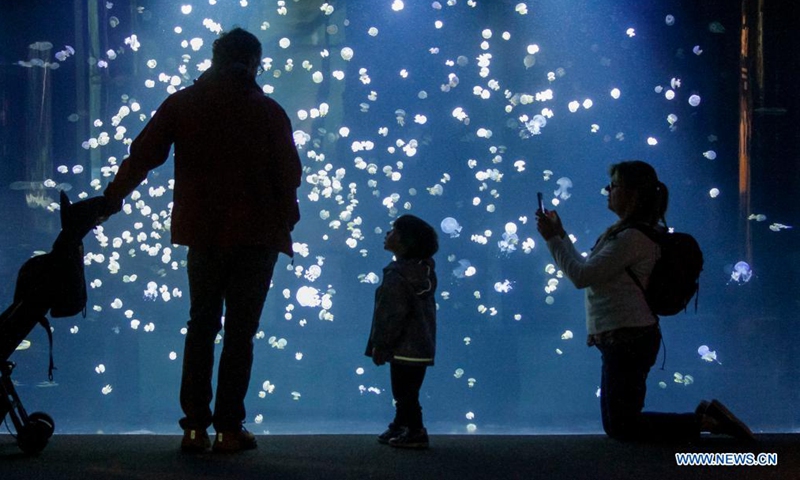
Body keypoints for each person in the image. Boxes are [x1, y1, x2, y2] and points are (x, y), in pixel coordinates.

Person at [101, 28, 302, 453]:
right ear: (254, 63)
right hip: (257, 236)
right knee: (240, 333)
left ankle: (194, 427)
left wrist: (113, 196)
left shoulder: (184, 104)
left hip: (205, 234)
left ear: (213, 58)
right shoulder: (269, 111)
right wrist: (287, 218)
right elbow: (290, 174)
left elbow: (144, 154)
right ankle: (229, 429)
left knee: (201, 325)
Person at [536, 160, 754, 442]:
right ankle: (706, 417)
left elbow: (581, 276)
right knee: (620, 423)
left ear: (633, 194)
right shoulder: (623, 233)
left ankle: (707, 421)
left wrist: (552, 239)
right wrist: (560, 235)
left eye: (613, 185)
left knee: (622, 425)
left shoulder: (633, 238)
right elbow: (589, 270)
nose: (607, 190)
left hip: (629, 339)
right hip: (623, 337)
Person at [365, 215, 438, 449]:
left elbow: (390, 315)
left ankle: (415, 430)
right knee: (408, 390)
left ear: (406, 241)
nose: (387, 233)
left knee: (404, 392)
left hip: (402, 345)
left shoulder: (397, 275)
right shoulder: (424, 271)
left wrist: (381, 344)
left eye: (393, 230)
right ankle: (401, 424)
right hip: (422, 345)